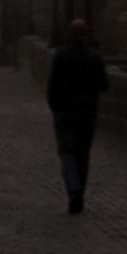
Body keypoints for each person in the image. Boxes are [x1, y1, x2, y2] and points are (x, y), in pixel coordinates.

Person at [46, 19, 109, 213]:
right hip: (87, 112)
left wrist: (55, 107)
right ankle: (79, 193)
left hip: (64, 111)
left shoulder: (61, 55)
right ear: (86, 35)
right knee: (82, 154)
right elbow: (104, 85)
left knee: (66, 152)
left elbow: (52, 85)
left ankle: (73, 189)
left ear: (70, 35)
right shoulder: (95, 57)